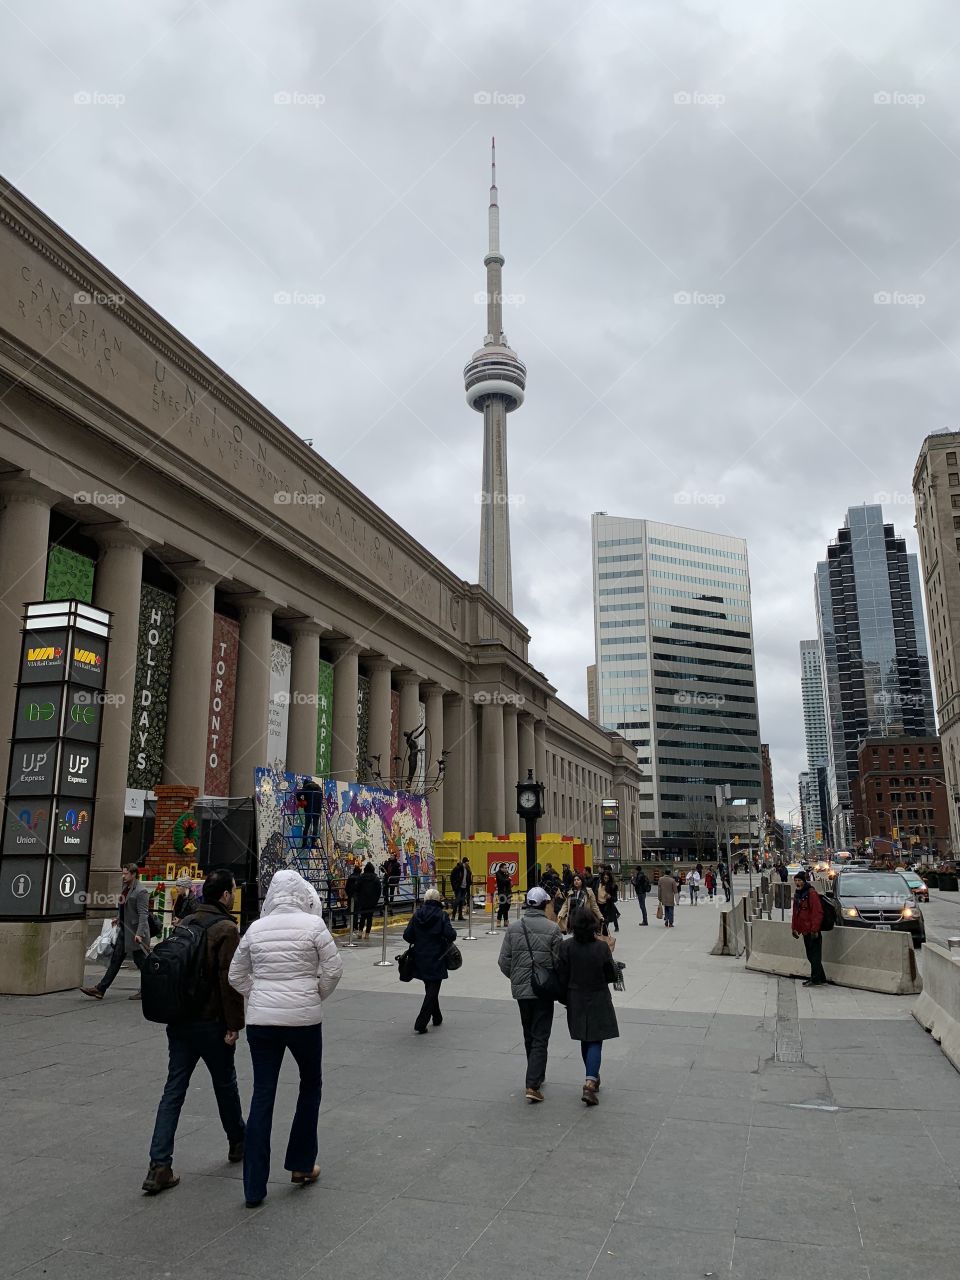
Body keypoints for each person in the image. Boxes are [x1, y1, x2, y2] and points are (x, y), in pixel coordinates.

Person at [228, 869, 343, 1208]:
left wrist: (260, 995)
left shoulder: (255, 928)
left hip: (263, 1021)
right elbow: (334, 969)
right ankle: (301, 1163)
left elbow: (236, 974)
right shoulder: (314, 926)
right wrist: (313, 994)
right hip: (304, 1020)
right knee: (310, 1084)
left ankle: (253, 1187)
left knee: (263, 1093)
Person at [141, 869, 246, 1195]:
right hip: (211, 1022)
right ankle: (238, 1141)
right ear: (226, 895)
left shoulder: (185, 923)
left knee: (173, 1090)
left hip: (180, 1020)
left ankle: (159, 1164)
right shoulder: (227, 929)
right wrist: (233, 1025)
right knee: (225, 1083)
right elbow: (228, 983)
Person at [498, 886, 563, 1102]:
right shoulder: (553, 929)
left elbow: (504, 961)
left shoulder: (514, 928)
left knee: (529, 1032)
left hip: (521, 991)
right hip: (544, 991)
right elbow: (558, 963)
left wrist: (517, 977)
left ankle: (535, 1072)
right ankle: (533, 1083)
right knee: (541, 1035)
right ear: (545, 904)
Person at [555, 906, 620, 1106]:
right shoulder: (601, 947)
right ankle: (590, 1081)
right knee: (595, 1039)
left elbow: (561, 976)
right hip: (598, 995)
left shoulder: (566, 947)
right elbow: (610, 974)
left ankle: (592, 1076)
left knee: (585, 1037)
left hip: (575, 996)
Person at [81, 863, 151, 1001]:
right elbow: (126, 908)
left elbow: (143, 914)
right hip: (124, 931)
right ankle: (100, 989)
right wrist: (119, 918)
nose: (123, 876)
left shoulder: (141, 891)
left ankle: (147, 990)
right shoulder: (126, 888)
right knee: (115, 961)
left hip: (135, 933)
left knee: (142, 964)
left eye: (125, 873)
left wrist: (139, 933)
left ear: (133, 874)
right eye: (123, 873)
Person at [402, 887, 458, 1033]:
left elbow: (407, 935)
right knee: (433, 988)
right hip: (437, 956)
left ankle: (437, 1016)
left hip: (420, 955)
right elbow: (450, 935)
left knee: (430, 985)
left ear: (425, 899)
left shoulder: (417, 914)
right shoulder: (442, 915)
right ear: (438, 900)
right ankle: (421, 1022)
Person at [791, 870, 827, 987]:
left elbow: (818, 912)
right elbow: (795, 913)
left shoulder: (811, 893)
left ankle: (815, 978)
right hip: (804, 931)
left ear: (804, 881)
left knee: (814, 956)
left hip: (812, 931)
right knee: (811, 955)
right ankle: (821, 977)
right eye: (796, 880)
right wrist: (794, 928)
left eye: (799, 880)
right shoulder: (798, 895)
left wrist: (815, 929)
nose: (797, 883)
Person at [355, 862, 382, 939]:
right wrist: (376, 900)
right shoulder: (376, 879)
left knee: (362, 917)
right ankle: (367, 934)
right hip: (372, 901)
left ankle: (360, 932)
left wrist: (359, 898)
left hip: (363, 900)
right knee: (370, 917)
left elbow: (356, 888)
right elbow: (379, 890)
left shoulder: (361, 878)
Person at [295, 778, 324, 850]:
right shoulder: (319, 789)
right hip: (317, 811)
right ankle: (313, 843)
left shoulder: (307, 787)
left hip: (309, 810)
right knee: (315, 827)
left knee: (307, 826)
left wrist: (301, 800)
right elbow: (321, 799)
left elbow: (298, 793)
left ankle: (304, 844)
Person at [597, 869, 620, 934]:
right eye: (604, 877)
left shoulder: (613, 886)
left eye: (607, 878)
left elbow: (615, 899)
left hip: (607, 906)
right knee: (598, 925)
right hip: (598, 906)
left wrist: (610, 897)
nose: (606, 879)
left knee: (604, 926)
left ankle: (605, 939)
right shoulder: (598, 883)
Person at [450, 857, 472, 921]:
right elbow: (452, 876)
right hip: (458, 887)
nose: (468, 863)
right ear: (464, 862)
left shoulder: (468, 869)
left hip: (464, 887)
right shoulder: (458, 868)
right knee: (457, 901)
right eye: (467, 861)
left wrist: (469, 884)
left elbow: (468, 878)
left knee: (461, 902)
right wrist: (454, 886)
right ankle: (453, 916)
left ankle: (460, 916)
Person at [345, 863, 362, 933]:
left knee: (351, 912)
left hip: (350, 896)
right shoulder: (360, 878)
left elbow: (346, 888)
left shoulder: (350, 877)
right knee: (356, 913)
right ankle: (355, 926)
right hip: (357, 897)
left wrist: (349, 894)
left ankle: (352, 926)